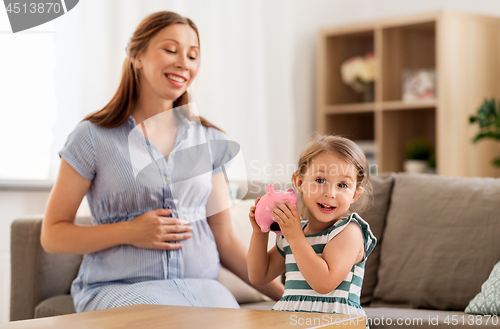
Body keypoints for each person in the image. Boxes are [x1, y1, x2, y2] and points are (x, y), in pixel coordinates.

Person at [41, 11, 283, 312]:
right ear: (137, 56)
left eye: (193, 55)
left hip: (203, 289)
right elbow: (53, 234)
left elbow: (224, 238)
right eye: (170, 49)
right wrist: (128, 231)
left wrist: (287, 297)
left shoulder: (209, 140)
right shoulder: (91, 137)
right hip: (120, 288)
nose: (184, 62)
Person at [247, 134, 376, 322]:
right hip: (291, 321)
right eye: (320, 180)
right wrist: (259, 233)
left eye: (342, 185)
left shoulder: (350, 231)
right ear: (300, 183)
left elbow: (324, 283)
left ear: (355, 194)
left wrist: (295, 237)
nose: (330, 193)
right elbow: (259, 276)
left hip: (335, 324)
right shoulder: (294, 233)